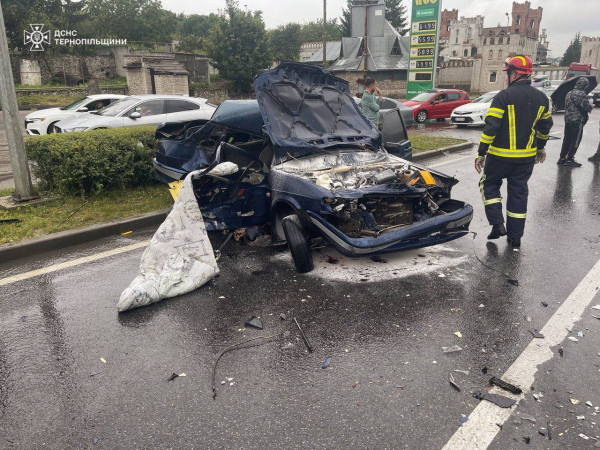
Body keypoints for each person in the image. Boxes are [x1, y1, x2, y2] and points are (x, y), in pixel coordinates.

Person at [474, 55, 553, 248]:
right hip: (526, 159)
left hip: (499, 156)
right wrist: (541, 149)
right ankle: (515, 237)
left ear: (515, 73)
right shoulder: (542, 98)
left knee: (489, 183)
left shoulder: (503, 96)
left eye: (507, 73)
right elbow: (545, 128)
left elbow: (491, 127)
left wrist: (481, 152)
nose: (506, 78)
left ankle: (497, 225)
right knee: (519, 193)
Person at [558, 77, 593, 167]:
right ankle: (570, 159)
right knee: (575, 140)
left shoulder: (569, 93)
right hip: (577, 120)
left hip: (568, 119)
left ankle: (562, 158)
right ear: (585, 85)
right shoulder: (582, 94)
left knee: (567, 139)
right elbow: (585, 107)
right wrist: (591, 106)